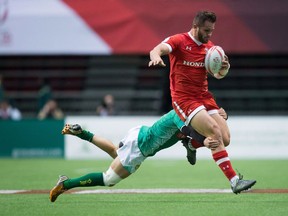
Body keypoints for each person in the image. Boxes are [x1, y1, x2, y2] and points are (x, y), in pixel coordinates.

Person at [49, 109, 256, 202]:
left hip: (141, 135)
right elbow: (191, 130)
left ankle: (82, 133)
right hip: (142, 145)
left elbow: (200, 127)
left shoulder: (186, 112)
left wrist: (220, 117)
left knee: (115, 152)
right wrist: (202, 142)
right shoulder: (182, 114)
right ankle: (65, 184)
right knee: (109, 179)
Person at [148, 11, 232, 166]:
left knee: (225, 139)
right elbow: (156, 50)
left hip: (204, 97)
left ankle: (191, 144)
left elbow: (218, 75)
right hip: (186, 99)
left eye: (212, 30)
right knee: (215, 132)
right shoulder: (179, 40)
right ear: (195, 26)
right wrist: (156, 57)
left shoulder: (210, 49)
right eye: (206, 30)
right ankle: (234, 179)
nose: (209, 34)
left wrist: (223, 69)